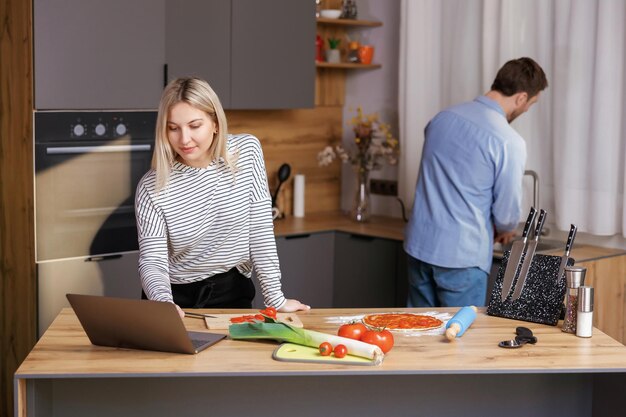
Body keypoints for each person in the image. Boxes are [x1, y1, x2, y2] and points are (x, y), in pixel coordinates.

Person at [135, 77, 310, 317]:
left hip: (232, 290)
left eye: (195, 126)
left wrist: (275, 299)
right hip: (174, 297)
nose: (184, 139)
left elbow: (260, 231)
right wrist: (164, 303)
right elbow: (153, 261)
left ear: (215, 123)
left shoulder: (246, 152)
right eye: (173, 128)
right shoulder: (151, 187)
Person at [404, 57, 548, 308]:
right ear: (522, 98)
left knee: (417, 335)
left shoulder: (441, 119)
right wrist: (505, 228)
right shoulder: (508, 141)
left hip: (419, 247)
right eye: (531, 104)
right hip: (461, 259)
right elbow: (506, 216)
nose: (526, 111)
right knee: (462, 342)